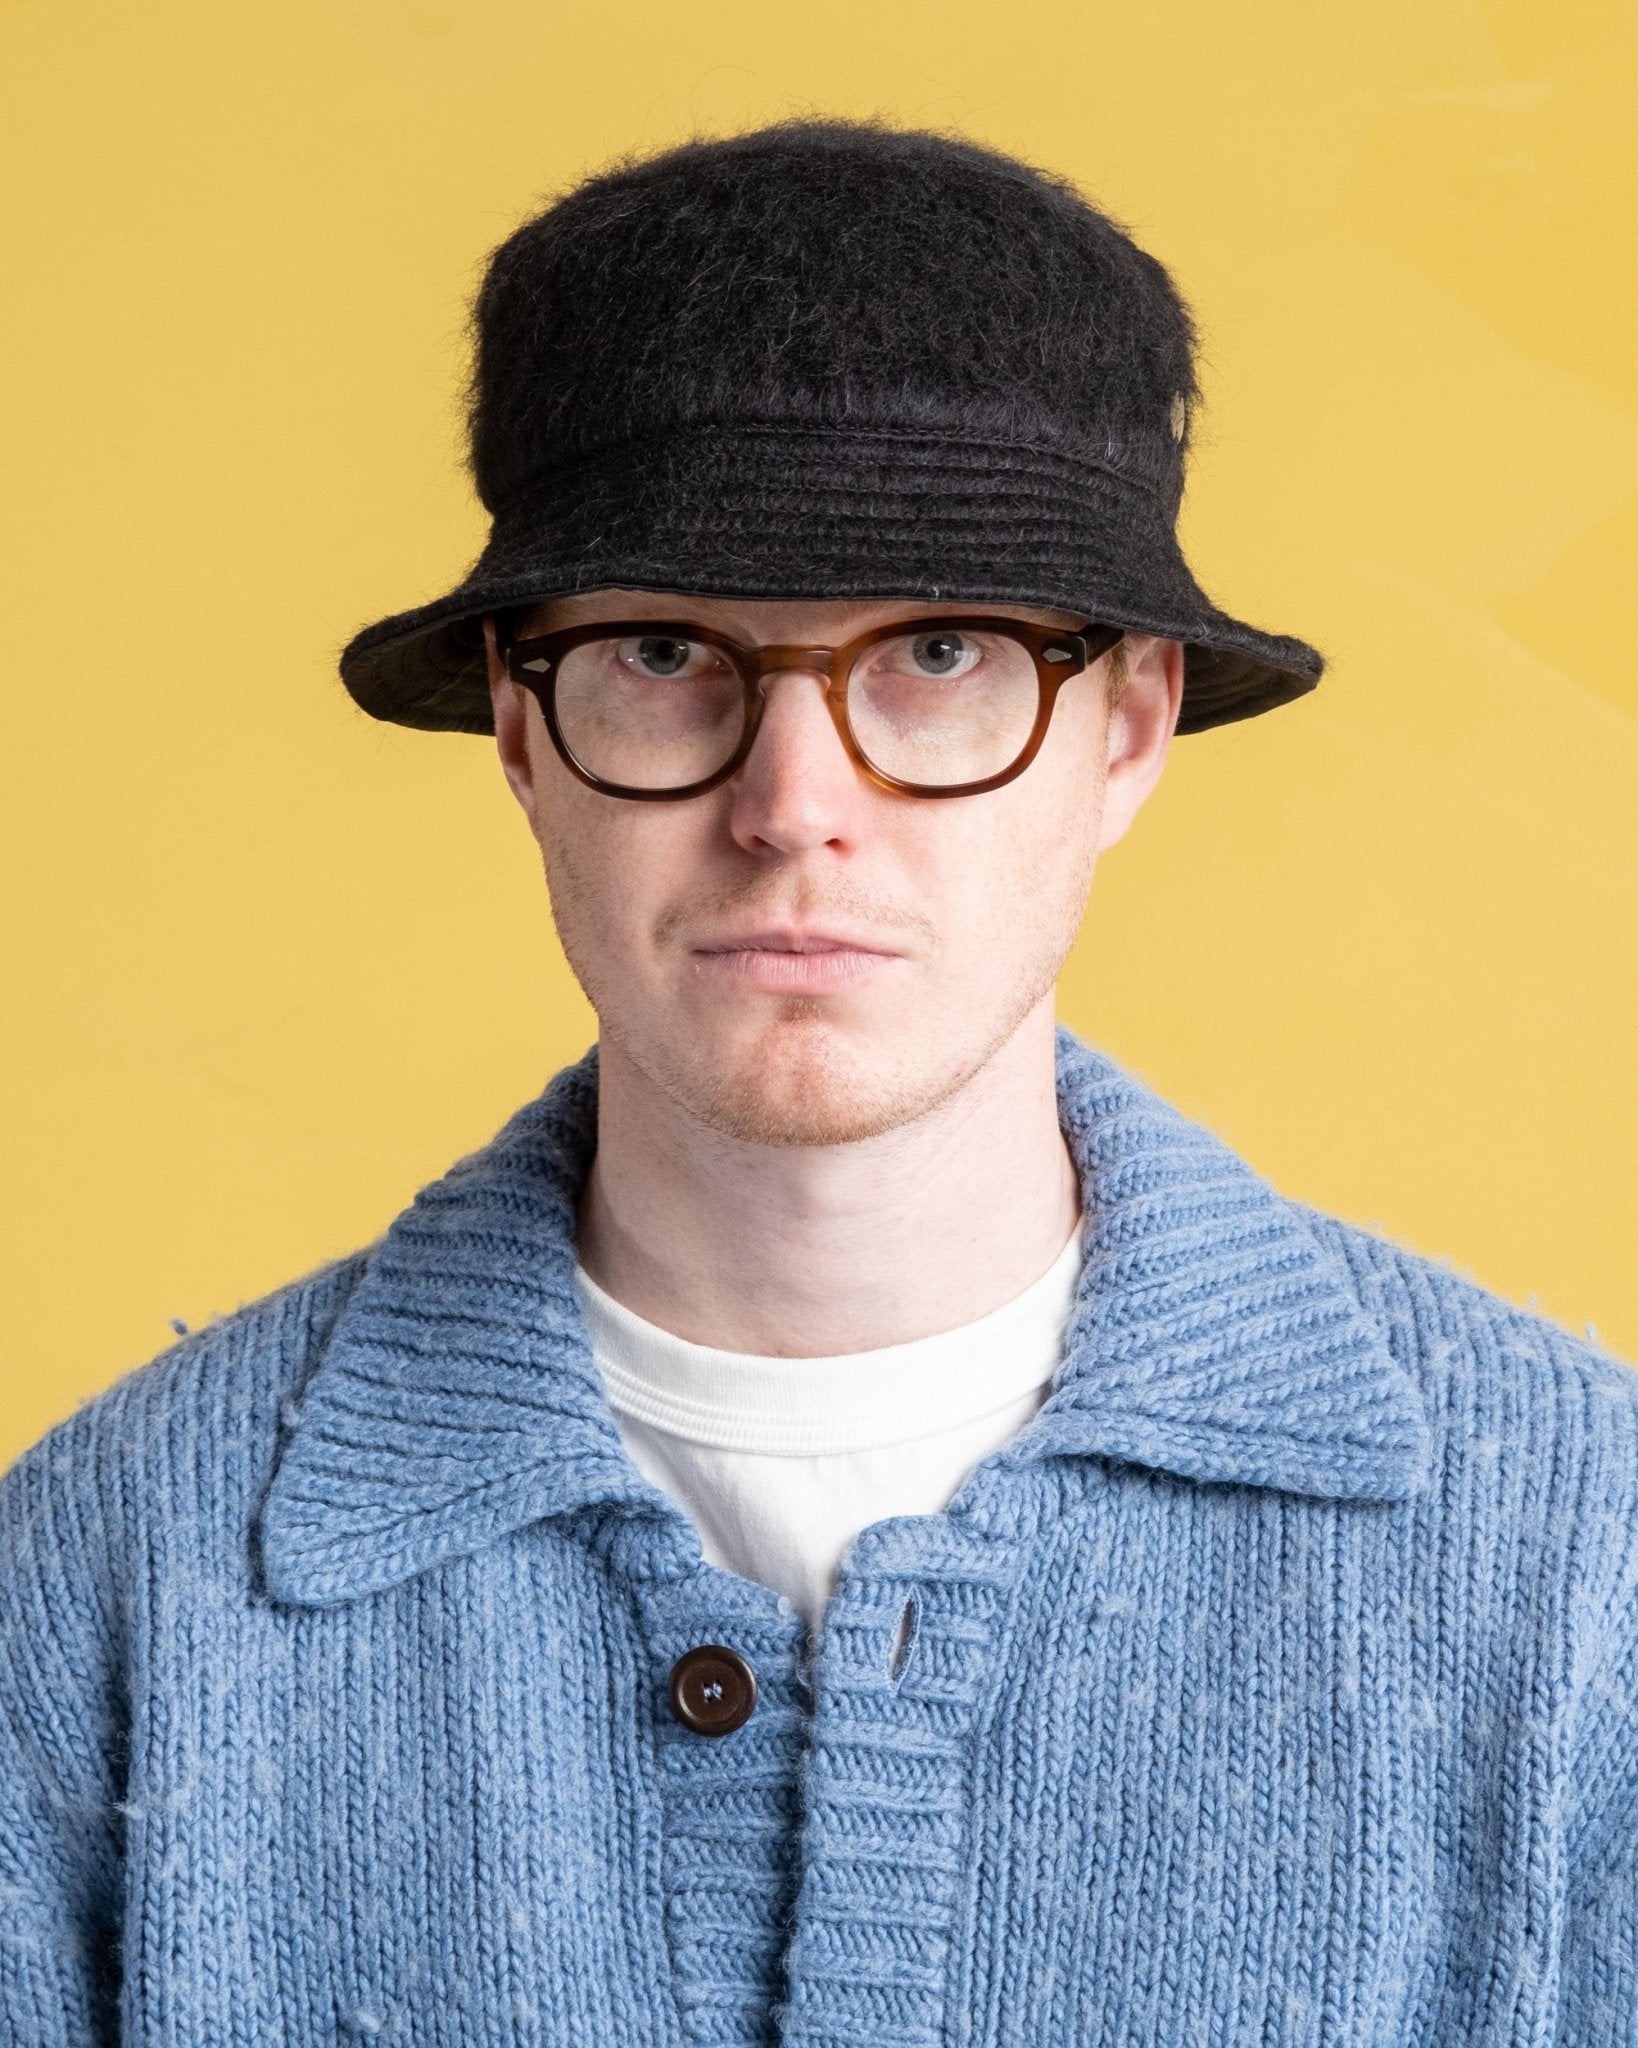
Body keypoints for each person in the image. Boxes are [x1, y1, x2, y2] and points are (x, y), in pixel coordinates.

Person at [2, 119, 1633, 2048]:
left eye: (938, 651)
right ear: (519, 727)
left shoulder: (1581, 1564)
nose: (794, 807)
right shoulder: (106, 1576)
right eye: (664, 650)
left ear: (1126, 729)